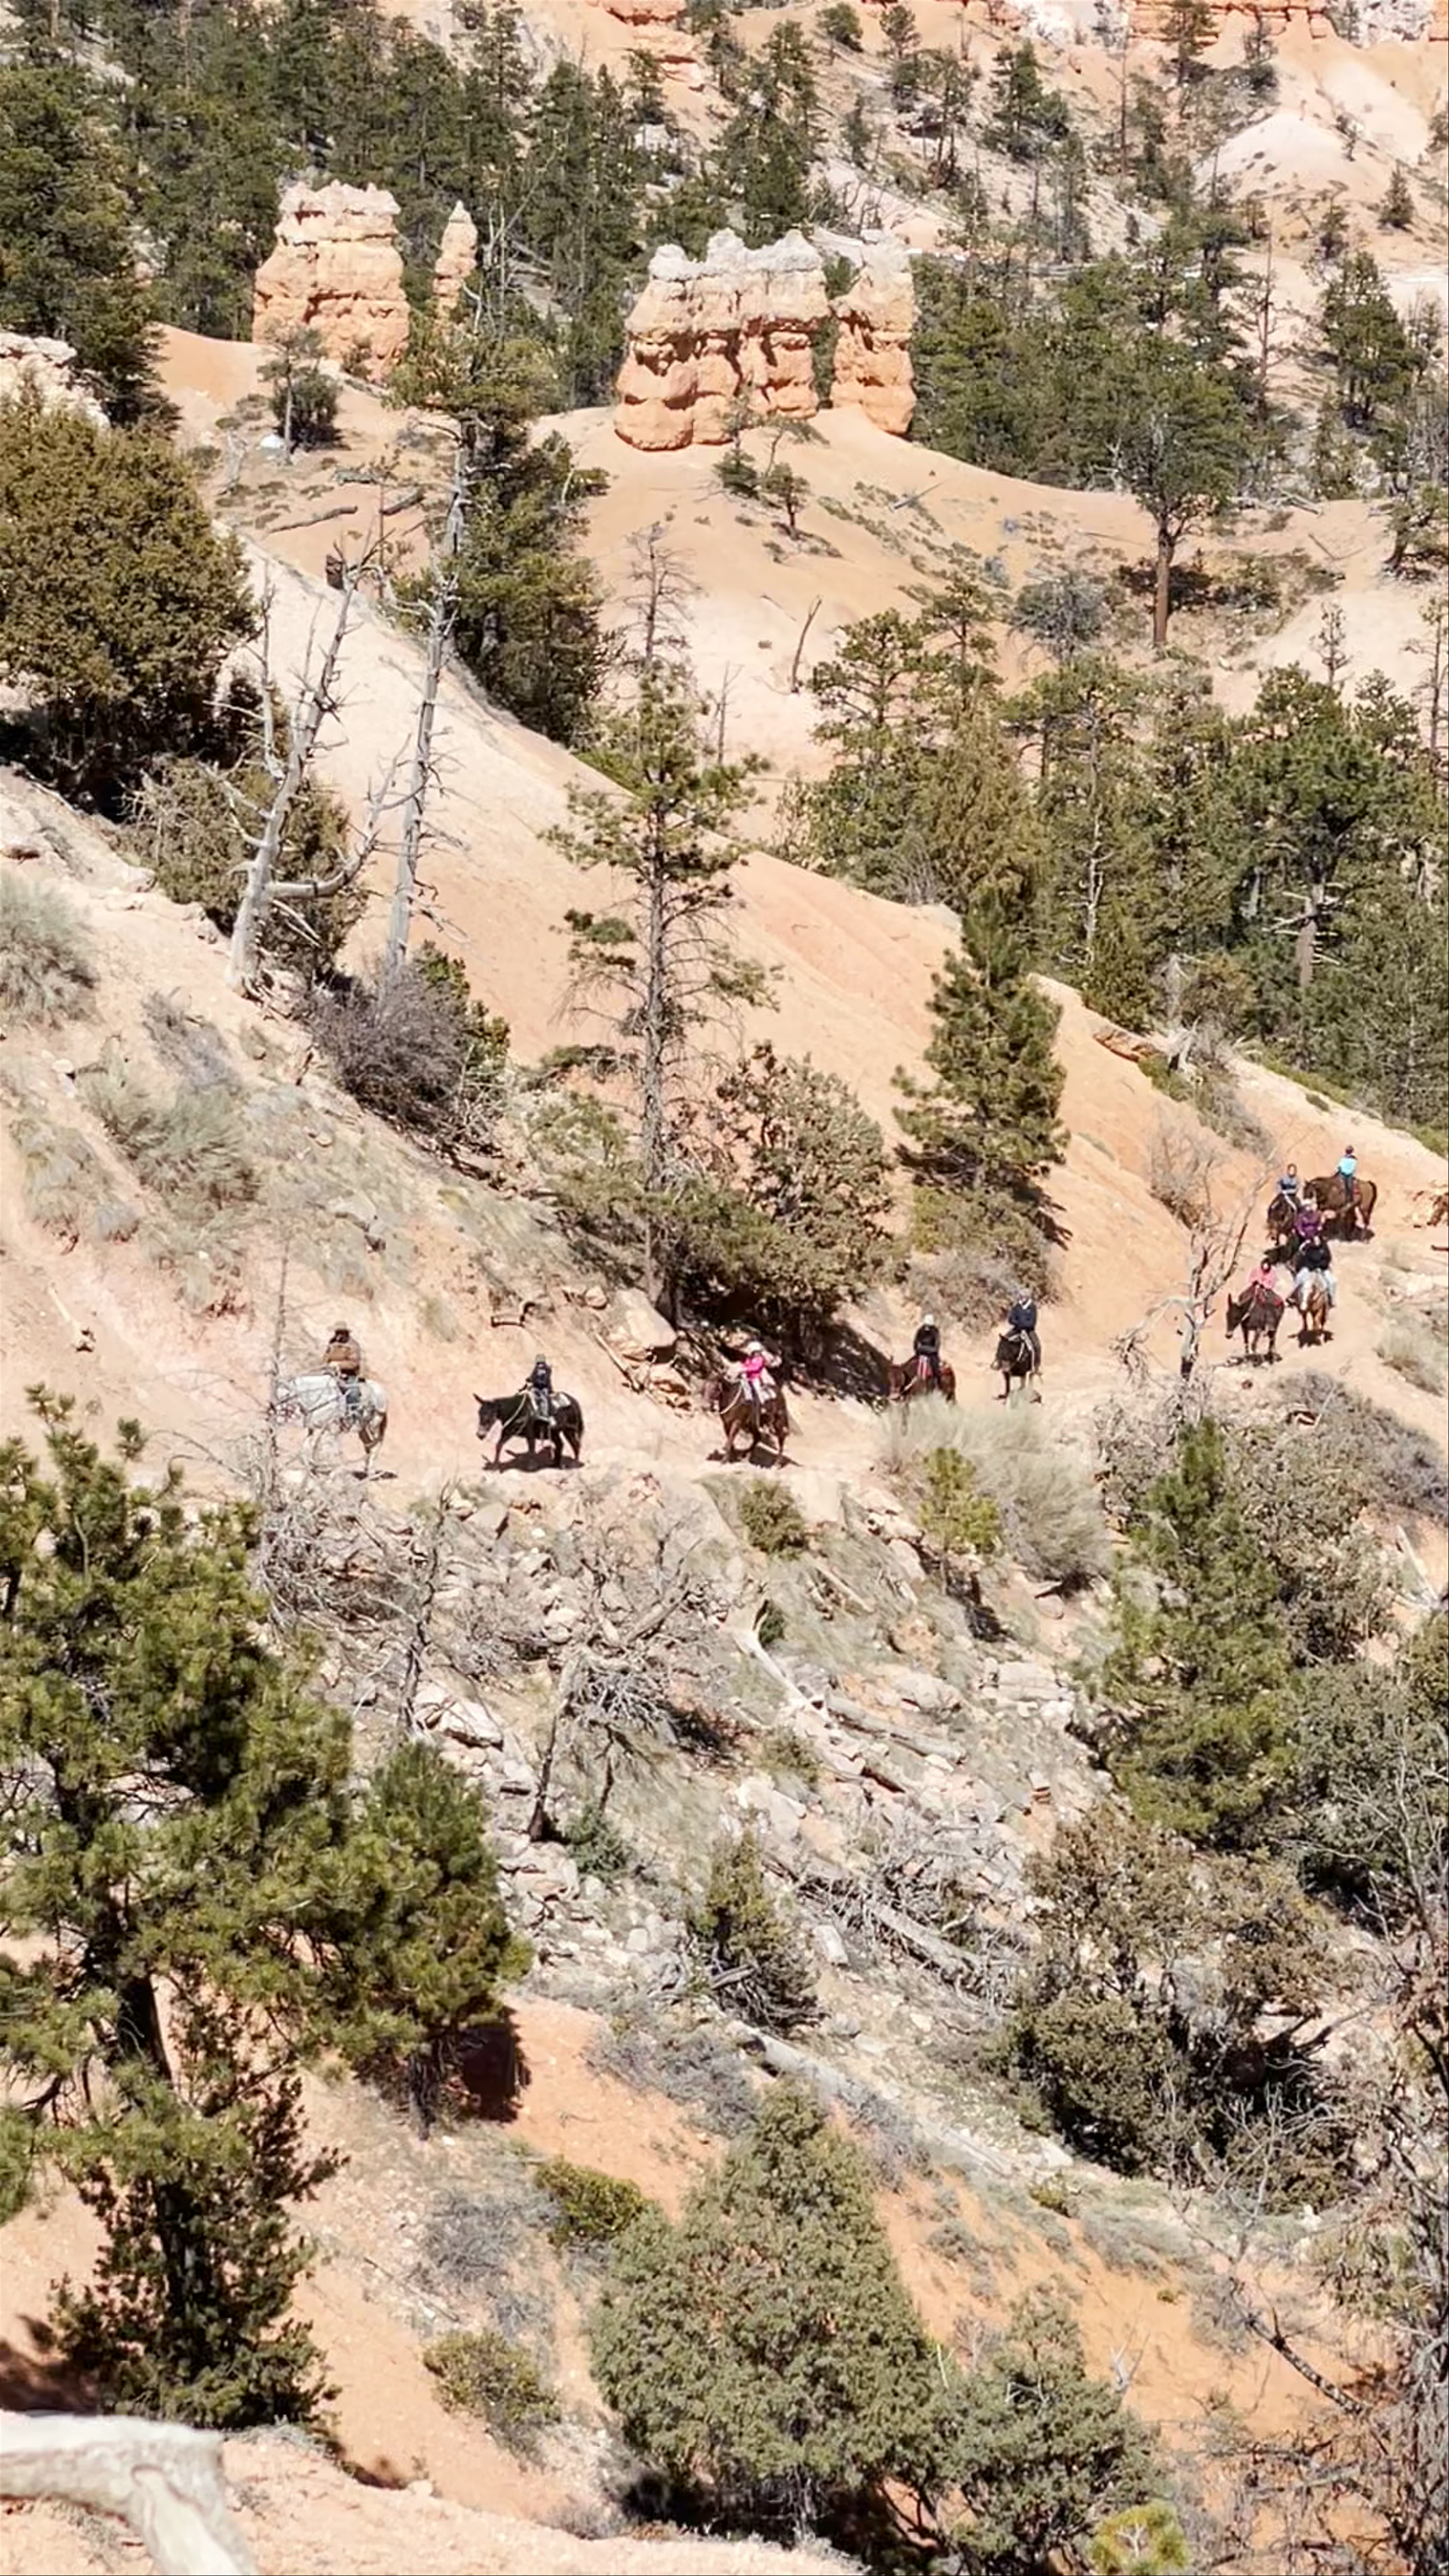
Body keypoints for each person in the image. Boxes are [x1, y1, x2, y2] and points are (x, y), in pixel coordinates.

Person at [323, 1321, 365, 1422]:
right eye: (337, 1333)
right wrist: (326, 1365)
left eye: (340, 1333)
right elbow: (326, 1357)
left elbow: (354, 1363)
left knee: (353, 1394)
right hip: (332, 1374)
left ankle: (356, 1417)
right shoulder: (332, 1343)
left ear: (346, 1333)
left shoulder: (353, 1346)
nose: (338, 1336)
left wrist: (338, 1365)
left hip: (349, 1375)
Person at [1294, 1229, 1336, 1310]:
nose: (1317, 1242)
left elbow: (1328, 1259)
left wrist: (1321, 1266)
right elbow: (1305, 1260)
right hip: (1310, 1268)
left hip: (1322, 1269)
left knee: (1333, 1282)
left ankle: (1332, 1299)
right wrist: (1311, 1267)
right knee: (1299, 1277)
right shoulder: (1309, 1248)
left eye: (1318, 1240)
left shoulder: (1324, 1248)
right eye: (1315, 1240)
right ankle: (1294, 1296)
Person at [738, 1338, 779, 1413]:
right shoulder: (749, 1359)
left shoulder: (760, 1359)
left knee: (757, 1390)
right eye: (755, 1352)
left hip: (755, 1378)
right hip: (748, 1377)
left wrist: (746, 1369)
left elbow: (756, 1368)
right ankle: (748, 1401)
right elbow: (746, 1365)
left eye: (757, 1352)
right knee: (742, 1386)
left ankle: (763, 1405)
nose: (756, 1354)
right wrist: (743, 1370)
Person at [1005, 1289, 1041, 1373]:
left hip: (1029, 1330)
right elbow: (1011, 1319)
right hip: (1017, 1329)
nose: (1022, 1299)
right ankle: (1000, 1361)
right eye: (1021, 1297)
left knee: (1037, 1346)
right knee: (1004, 1341)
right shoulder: (1017, 1307)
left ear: (1028, 1298)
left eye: (1024, 1297)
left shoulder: (1032, 1307)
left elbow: (1032, 1322)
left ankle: (1037, 1367)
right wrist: (1018, 1324)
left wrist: (1022, 1325)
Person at [912, 1313, 943, 1392]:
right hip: (921, 1354)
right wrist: (917, 1350)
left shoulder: (935, 1332)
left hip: (932, 1355)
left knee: (936, 1369)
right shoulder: (921, 1330)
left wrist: (924, 1349)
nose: (927, 1327)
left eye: (929, 1326)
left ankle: (937, 1386)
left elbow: (936, 1347)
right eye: (926, 1325)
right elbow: (916, 1342)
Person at [1337, 1144, 1358, 1210]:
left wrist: (1343, 1171)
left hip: (1348, 1175)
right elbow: (1340, 1166)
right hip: (1343, 1174)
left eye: (1349, 1151)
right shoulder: (1345, 1158)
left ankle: (1350, 1200)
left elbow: (1352, 1168)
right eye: (1348, 1151)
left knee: (1349, 1187)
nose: (1348, 1152)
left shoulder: (1353, 1159)